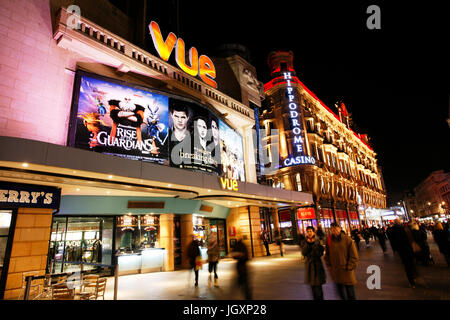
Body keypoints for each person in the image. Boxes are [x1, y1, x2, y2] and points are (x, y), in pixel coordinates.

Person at [324, 222, 359, 300]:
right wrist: (330, 267)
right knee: (341, 294)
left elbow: (354, 255)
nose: (334, 230)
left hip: (346, 271)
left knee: (351, 294)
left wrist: (349, 266)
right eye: (332, 228)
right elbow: (327, 255)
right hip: (336, 271)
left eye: (336, 228)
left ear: (340, 229)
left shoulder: (347, 239)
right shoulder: (329, 240)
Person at [389, 219, 419, 288]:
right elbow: (411, 237)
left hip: (401, 250)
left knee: (406, 265)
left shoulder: (392, 230)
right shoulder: (404, 228)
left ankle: (411, 282)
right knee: (411, 262)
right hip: (409, 248)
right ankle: (415, 276)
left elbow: (392, 241)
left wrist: (395, 249)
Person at [300, 226, 326, 300]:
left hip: (318, 266)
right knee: (313, 289)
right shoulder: (304, 241)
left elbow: (320, 253)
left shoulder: (318, 241)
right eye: (308, 231)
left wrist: (314, 244)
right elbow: (303, 252)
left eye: (311, 231)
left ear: (314, 232)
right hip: (309, 267)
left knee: (319, 289)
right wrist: (308, 244)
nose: (309, 233)